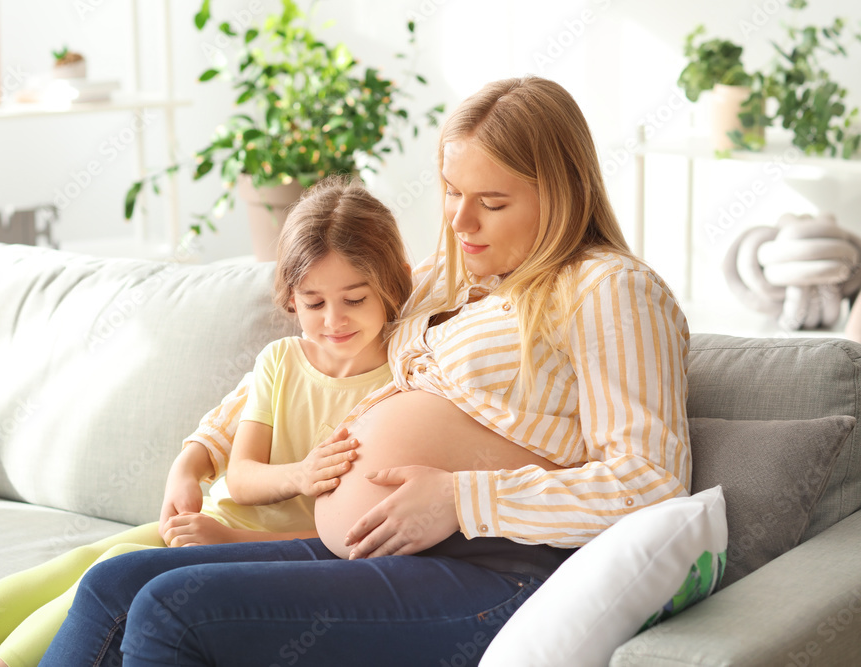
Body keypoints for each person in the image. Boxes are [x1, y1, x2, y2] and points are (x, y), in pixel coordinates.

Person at [40, 75, 692, 666]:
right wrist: (198, 449)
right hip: (384, 547)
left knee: (170, 609)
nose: (460, 221)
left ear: (564, 192)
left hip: (499, 567)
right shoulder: (448, 283)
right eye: (451, 192)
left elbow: (653, 483)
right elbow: (309, 351)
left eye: (490, 201)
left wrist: (459, 498)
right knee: (115, 583)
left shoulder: (608, 289)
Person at [0, 176, 414, 667]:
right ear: (290, 299)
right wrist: (295, 475)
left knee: (113, 567)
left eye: (354, 299)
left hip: (262, 551)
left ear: (389, 285)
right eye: (314, 302)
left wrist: (228, 542)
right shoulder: (282, 361)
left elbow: (351, 534)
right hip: (215, 521)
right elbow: (241, 475)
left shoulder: (401, 386)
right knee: (82, 563)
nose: (333, 320)